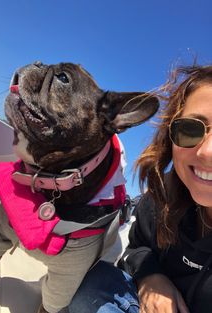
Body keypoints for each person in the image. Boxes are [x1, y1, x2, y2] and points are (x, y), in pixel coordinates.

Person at [67, 63, 212, 313]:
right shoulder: (161, 195)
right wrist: (150, 275)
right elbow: (137, 246)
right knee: (88, 284)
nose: (207, 152)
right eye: (191, 129)